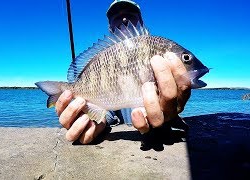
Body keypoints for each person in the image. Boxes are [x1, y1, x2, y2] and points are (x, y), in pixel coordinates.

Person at [56, 0, 191, 144]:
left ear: (141, 21)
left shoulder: (157, 48)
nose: (124, 18)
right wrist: (91, 119)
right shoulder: (107, 54)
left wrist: (172, 113)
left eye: (130, 14)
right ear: (110, 27)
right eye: (116, 16)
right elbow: (107, 113)